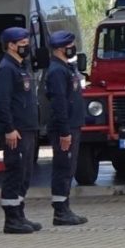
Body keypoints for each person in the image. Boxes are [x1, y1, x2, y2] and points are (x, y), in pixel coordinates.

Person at [0, 25, 43, 235]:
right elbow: (2, 102)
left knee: (25, 174)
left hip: (27, 129)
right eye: (21, 44)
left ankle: (20, 214)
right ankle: (11, 219)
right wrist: (9, 128)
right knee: (15, 173)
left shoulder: (22, 66)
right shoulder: (6, 69)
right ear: (10, 46)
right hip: (16, 131)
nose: (26, 47)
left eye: (26, 43)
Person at [43, 30, 90, 227]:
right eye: (70, 45)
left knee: (68, 169)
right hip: (65, 128)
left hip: (72, 125)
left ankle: (65, 207)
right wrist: (64, 132)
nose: (73, 48)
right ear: (61, 48)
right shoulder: (56, 71)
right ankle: (61, 212)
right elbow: (59, 104)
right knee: (63, 168)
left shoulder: (66, 68)